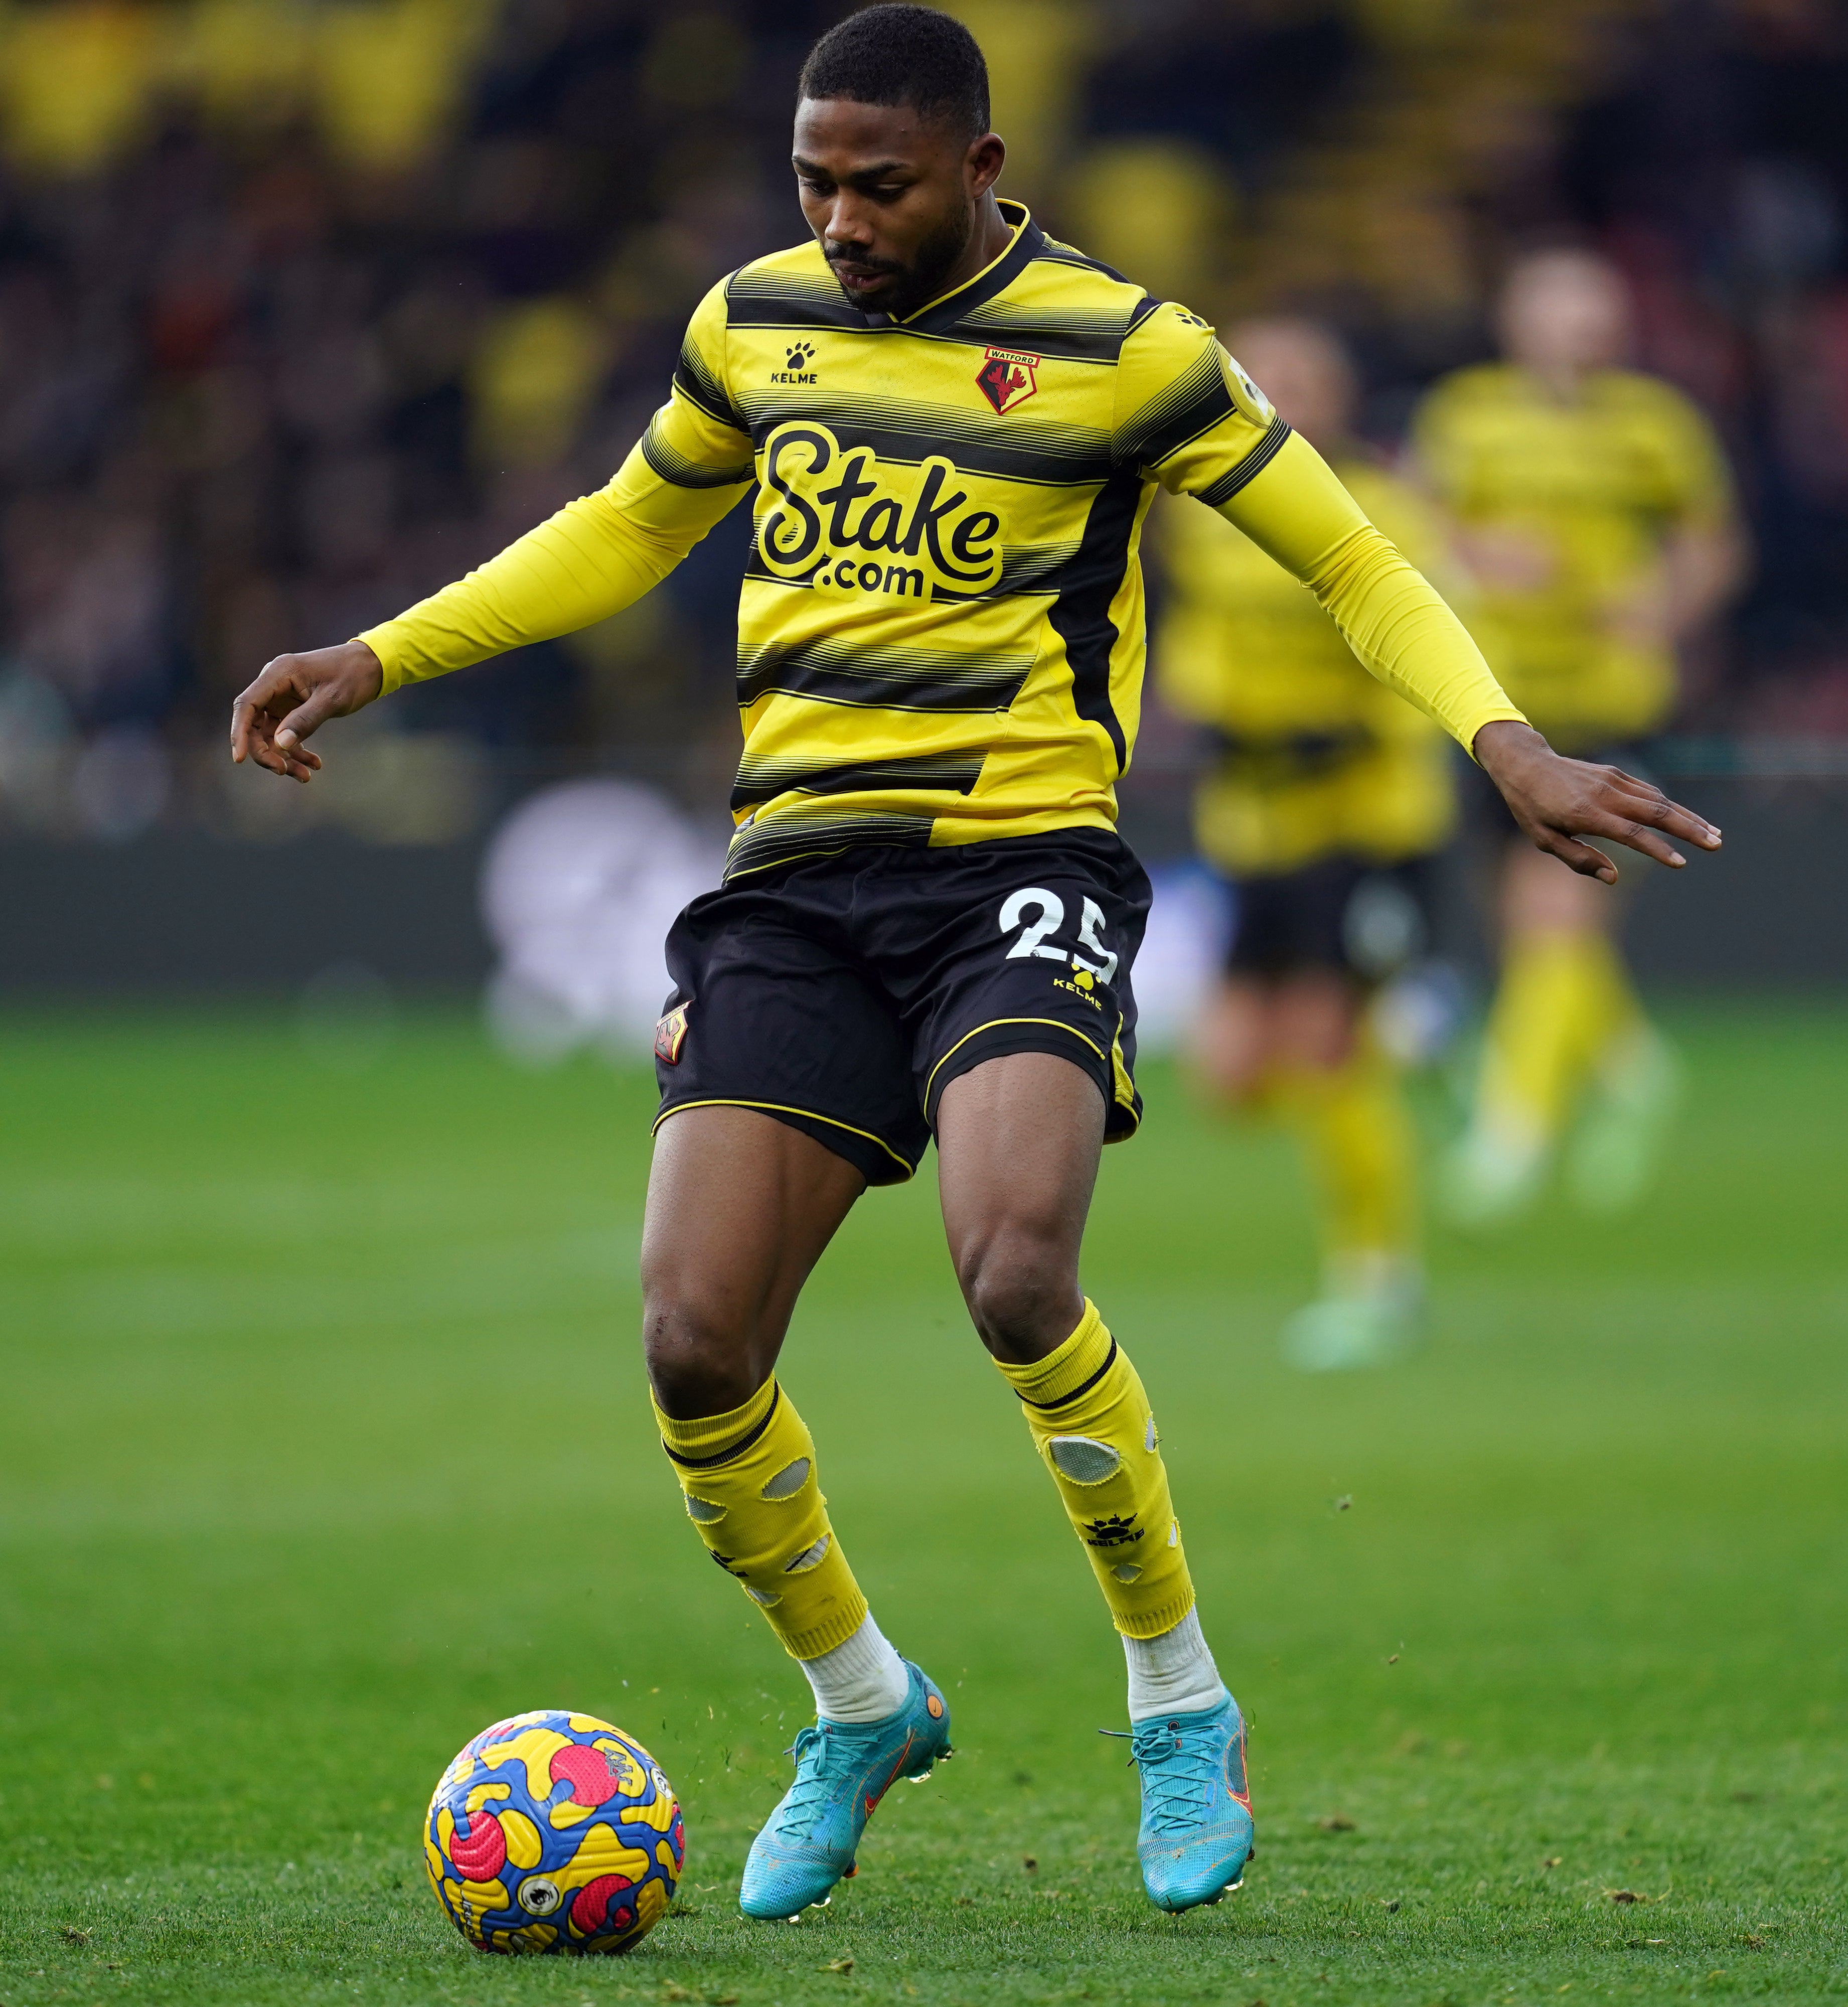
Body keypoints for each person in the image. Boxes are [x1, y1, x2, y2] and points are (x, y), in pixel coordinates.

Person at [230, 6, 1720, 1922]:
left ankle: (1177, 1699)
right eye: (813, 181)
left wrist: (1498, 740)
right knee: (692, 1339)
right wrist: (382, 654)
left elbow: (1351, 558)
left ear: (982, 172)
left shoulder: (1125, 348)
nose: (840, 218)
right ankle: (860, 1701)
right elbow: (624, 530)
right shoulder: (751, 323)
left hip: (1020, 857)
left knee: (1016, 1268)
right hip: (791, 879)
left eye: (881, 183)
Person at [1415, 249, 1748, 1224]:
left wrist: (1667, 605)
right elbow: (1413, 528)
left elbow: (1713, 542)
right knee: (1525, 926)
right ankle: (1631, 1065)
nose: (1583, 330)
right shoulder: (1468, 416)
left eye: (1597, 312)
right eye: (1563, 311)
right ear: (1518, 320)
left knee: (1555, 914)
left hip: (1614, 701)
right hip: (1498, 706)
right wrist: (1481, 556)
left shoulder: (1657, 425)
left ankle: (1509, 1132)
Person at [1155, 318, 1455, 1372]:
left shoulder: (1387, 507)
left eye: (1299, 376)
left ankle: (1379, 1275)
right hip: (1253, 821)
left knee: (1328, 1055)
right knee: (1233, 1077)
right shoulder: (1205, 514)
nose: (1276, 391)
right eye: (1258, 375)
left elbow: (1423, 639)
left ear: (1340, 392)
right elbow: (1196, 645)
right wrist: (1215, 711)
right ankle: (1412, 1040)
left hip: (1361, 818)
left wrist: (1356, 726)